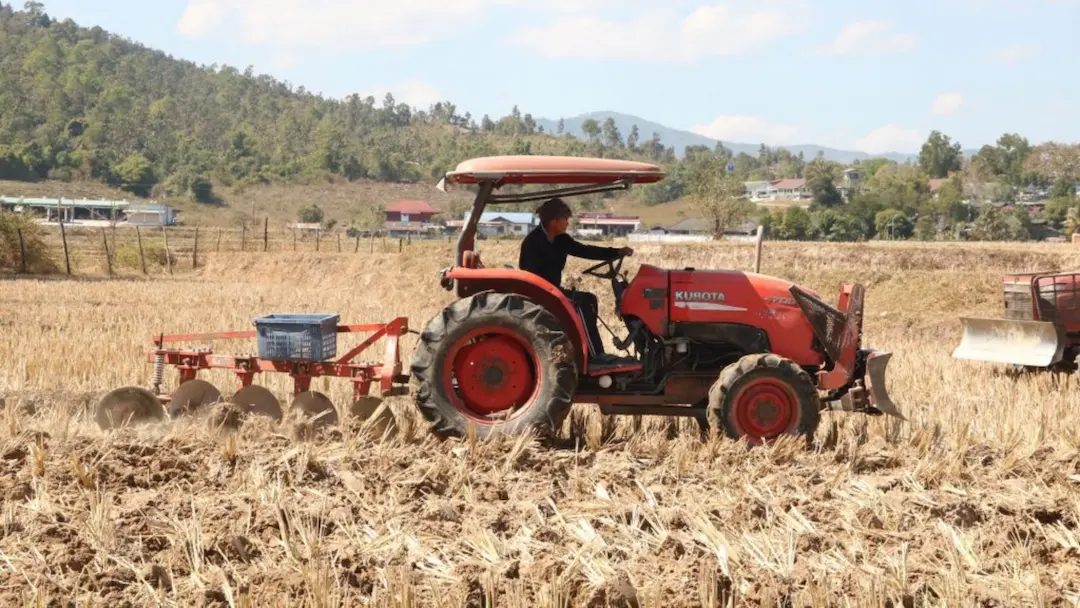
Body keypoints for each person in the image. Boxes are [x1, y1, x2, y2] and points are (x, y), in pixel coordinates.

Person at [518, 197, 633, 361]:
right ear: (553, 221)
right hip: (540, 294)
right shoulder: (533, 242)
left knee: (590, 299)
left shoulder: (561, 240)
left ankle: (593, 350)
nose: (567, 223)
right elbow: (530, 275)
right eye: (565, 219)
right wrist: (554, 295)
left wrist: (616, 252)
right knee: (582, 304)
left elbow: (585, 250)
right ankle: (594, 355)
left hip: (554, 290)